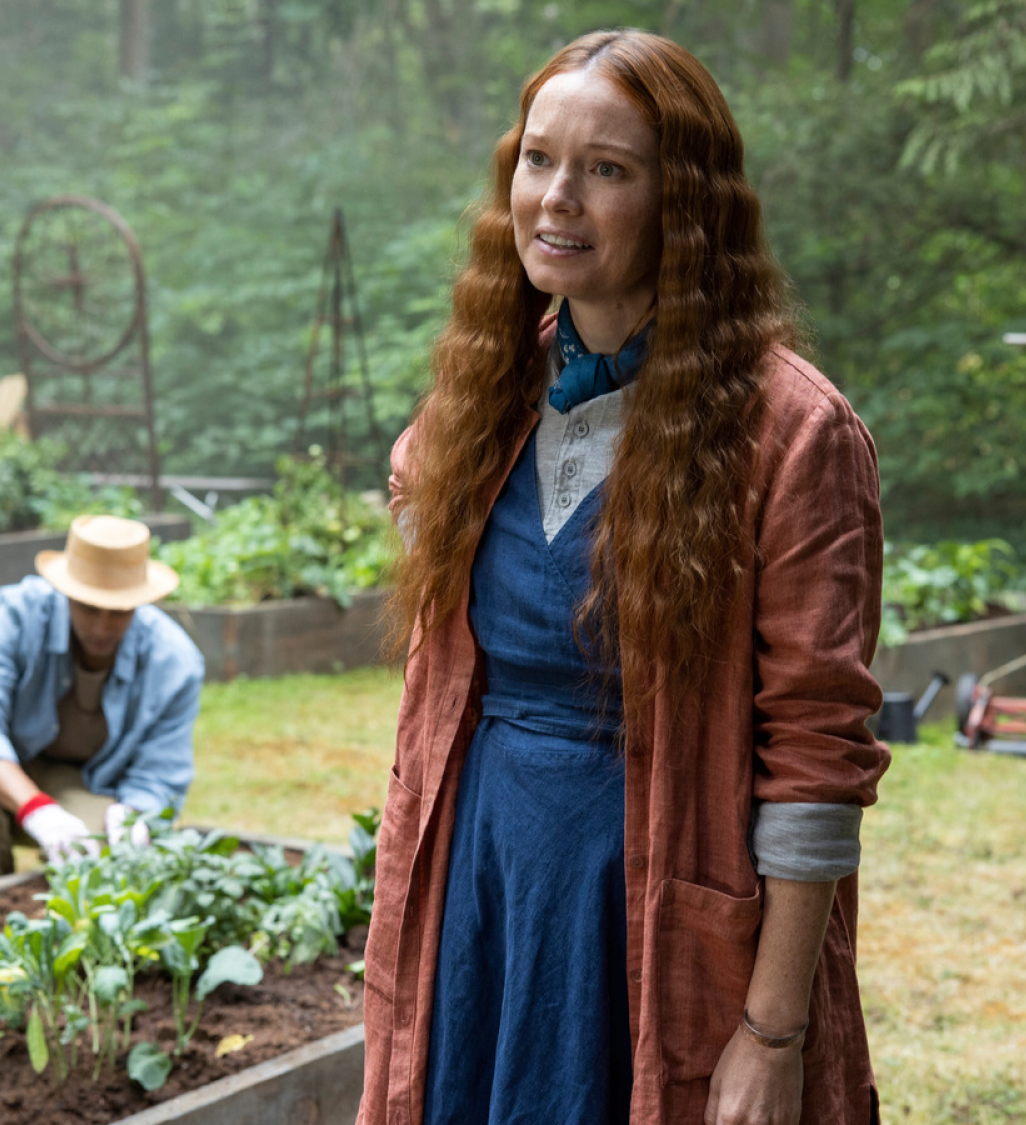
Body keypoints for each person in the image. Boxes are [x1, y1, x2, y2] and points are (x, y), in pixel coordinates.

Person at [364, 29, 889, 1125]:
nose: (556, 199)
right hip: (480, 885)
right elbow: (420, 514)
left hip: (653, 908)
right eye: (536, 160)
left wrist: (769, 1030)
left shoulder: (791, 434)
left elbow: (815, 760)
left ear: (682, 204)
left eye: (606, 170)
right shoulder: (482, 394)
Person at [0, 513, 205, 886]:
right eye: (88, 608)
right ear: (66, 592)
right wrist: (36, 809)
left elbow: (162, 773)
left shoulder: (175, 661)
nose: (102, 627)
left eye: (118, 612)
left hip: (95, 788)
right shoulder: (17, 615)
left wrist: (134, 813)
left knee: (98, 868)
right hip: (11, 770)